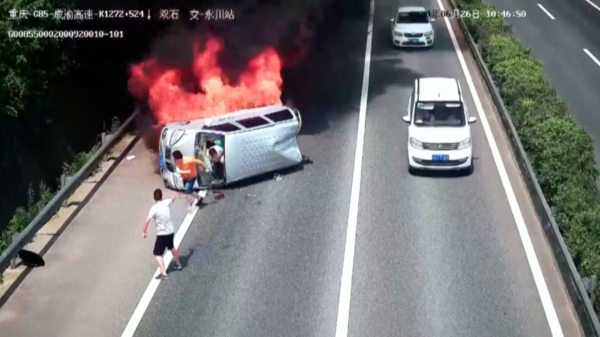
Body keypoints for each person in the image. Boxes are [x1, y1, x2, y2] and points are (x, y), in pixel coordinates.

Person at [143, 188, 183, 280]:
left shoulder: (153, 209)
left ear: (154, 198)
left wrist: (144, 232)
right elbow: (173, 198)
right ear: (161, 196)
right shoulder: (166, 202)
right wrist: (179, 192)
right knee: (171, 247)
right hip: (170, 232)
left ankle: (163, 273)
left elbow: (147, 220)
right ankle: (178, 263)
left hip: (161, 234)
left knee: (157, 254)